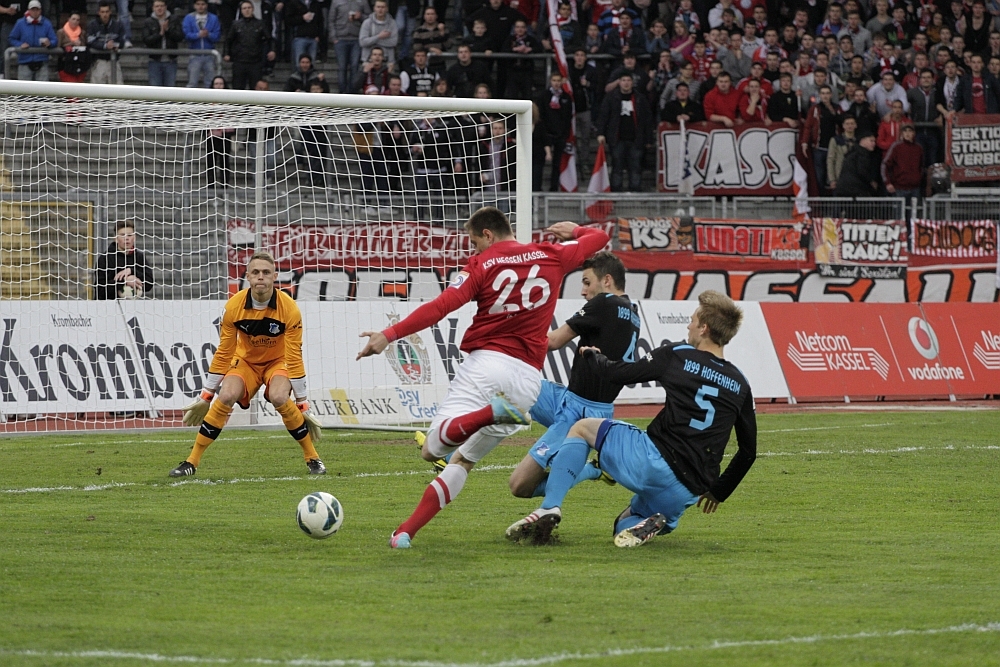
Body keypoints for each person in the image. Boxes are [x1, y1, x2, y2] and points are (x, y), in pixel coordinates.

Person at [356, 208, 610, 549]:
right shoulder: (551, 254)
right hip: (527, 382)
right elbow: (599, 237)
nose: (474, 249)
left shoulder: (483, 264)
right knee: (463, 460)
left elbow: (442, 306)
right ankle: (405, 533)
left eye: (475, 242)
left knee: (432, 450)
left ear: (488, 234)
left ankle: (489, 413)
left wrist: (389, 334)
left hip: (488, 366)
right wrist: (576, 230)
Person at [528, 290, 756, 548]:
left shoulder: (678, 354)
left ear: (704, 328)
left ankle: (549, 507)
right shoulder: (741, 383)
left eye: (692, 320)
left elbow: (620, 373)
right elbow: (748, 452)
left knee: (581, 429)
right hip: (688, 489)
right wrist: (720, 491)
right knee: (623, 525)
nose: (688, 326)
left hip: (653, 461)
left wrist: (593, 356)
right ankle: (647, 523)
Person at [504, 252, 641, 543]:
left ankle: (589, 472)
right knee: (513, 384)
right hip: (576, 400)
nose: (583, 290)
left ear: (606, 280)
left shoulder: (603, 303)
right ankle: (454, 454)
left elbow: (553, 341)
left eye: (587, 282)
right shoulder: (633, 313)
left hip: (580, 413)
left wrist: (511, 334)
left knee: (519, 485)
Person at [171, 251, 324, 478]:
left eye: (266, 272)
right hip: (245, 362)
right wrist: (206, 396)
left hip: (277, 362)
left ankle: (313, 458)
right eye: (256, 272)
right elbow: (224, 352)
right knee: (226, 395)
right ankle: (191, 462)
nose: (261, 277)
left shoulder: (289, 309)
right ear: (248, 276)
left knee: (279, 396)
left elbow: (294, 356)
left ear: (275, 277)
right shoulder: (234, 307)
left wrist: (302, 404)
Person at [596, 74, 654, 191]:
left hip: (636, 139)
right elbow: (603, 116)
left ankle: (635, 190)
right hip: (617, 138)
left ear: (632, 83)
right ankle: (616, 190)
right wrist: (600, 133)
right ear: (619, 82)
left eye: (628, 80)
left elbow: (647, 119)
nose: (626, 83)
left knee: (636, 166)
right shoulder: (611, 97)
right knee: (617, 166)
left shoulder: (640, 98)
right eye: (623, 80)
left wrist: (648, 138)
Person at [94, 221, 154, 300]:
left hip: (132, 305)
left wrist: (132, 271)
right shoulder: (105, 258)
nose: (126, 238)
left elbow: (149, 284)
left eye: (129, 235)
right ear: (116, 239)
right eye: (122, 235)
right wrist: (125, 281)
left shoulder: (139, 257)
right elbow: (100, 289)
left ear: (134, 237)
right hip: (107, 305)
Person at [225, 0, 274, 90]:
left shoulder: (260, 24)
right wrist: (226, 53)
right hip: (239, 61)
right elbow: (229, 40)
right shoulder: (236, 24)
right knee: (237, 88)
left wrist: (272, 50)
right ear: (241, 10)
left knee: (255, 89)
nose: (247, 10)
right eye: (244, 8)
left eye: (249, 8)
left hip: (255, 62)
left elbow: (269, 39)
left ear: (253, 9)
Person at [802, 84, 840, 194]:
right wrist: (804, 142)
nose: (825, 96)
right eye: (823, 93)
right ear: (819, 95)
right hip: (819, 148)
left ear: (831, 95)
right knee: (819, 176)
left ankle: (834, 199)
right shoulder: (814, 109)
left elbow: (842, 123)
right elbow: (808, 126)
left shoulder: (837, 108)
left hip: (834, 148)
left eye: (827, 93)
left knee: (834, 176)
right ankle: (822, 199)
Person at [329, 0, 369, 94]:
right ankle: (342, 92)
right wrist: (334, 38)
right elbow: (331, 20)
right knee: (342, 67)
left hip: (356, 39)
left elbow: (369, 18)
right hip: (340, 39)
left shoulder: (363, 2)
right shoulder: (336, 2)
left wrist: (360, 16)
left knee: (355, 66)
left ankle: (353, 92)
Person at [142, 0, 184, 87]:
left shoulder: (174, 19)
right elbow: (146, 40)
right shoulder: (148, 22)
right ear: (153, 8)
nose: (159, 8)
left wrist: (168, 30)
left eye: (161, 6)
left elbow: (180, 37)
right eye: (157, 6)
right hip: (154, 61)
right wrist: (160, 34)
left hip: (171, 61)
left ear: (165, 7)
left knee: (170, 89)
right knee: (155, 89)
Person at [501, 18, 543, 99]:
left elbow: (539, 49)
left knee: (527, 95)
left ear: (526, 29)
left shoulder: (530, 39)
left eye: (522, 27)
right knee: (512, 96)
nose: (520, 29)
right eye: (518, 27)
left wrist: (530, 49)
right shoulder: (510, 39)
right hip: (512, 71)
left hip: (526, 71)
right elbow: (503, 50)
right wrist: (515, 49)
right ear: (514, 29)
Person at [881, 122, 924, 199]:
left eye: (910, 131)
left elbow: (921, 166)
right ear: (902, 133)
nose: (907, 133)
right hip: (899, 188)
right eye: (905, 131)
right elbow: (885, 165)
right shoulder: (896, 147)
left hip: (915, 188)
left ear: (914, 133)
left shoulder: (919, 148)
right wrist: (887, 183)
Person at [183, 0, 221, 88]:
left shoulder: (213, 18)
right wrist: (197, 35)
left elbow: (217, 36)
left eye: (203, 4)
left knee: (210, 82)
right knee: (192, 82)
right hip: (195, 54)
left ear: (206, 5)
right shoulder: (189, 18)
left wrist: (208, 35)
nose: (200, 6)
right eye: (198, 4)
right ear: (194, 6)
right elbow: (186, 35)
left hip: (209, 54)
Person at [834, 130, 882, 197]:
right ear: (862, 141)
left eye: (874, 141)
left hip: (843, 188)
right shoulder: (862, 155)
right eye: (871, 141)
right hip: (855, 190)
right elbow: (862, 171)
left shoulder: (852, 152)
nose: (874, 143)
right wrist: (871, 182)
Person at [85, 0, 123, 84]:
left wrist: (116, 45)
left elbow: (122, 41)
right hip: (99, 61)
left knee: (117, 89)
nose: (105, 14)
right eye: (102, 12)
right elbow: (90, 42)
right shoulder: (92, 25)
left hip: (114, 61)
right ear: (98, 12)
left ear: (110, 12)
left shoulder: (118, 25)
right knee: (97, 90)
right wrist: (105, 45)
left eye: (106, 11)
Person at [359, 0, 397, 67]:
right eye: (378, 7)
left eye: (382, 7)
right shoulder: (367, 23)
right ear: (374, 8)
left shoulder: (392, 23)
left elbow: (393, 42)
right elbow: (362, 42)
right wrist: (379, 36)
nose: (380, 9)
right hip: (368, 59)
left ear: (387, 9)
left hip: (387, 59)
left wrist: (372, 40)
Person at [286, 0, 323, 66]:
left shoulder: (315, 3)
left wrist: (318, 35)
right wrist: (302, 18)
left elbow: (320, 21)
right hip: (299, 37)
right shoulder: (294, 3)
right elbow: (288, 20)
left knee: (311, 65)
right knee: (299, 64)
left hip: (313, 38)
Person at [827, 114, 858, 192]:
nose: (850, 126)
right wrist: (832, 179)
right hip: (840, 177)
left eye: (852, 123)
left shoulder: (859, 140)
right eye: (847, 124)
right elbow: (830, 160)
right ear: (843, 126)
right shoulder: (835, 140)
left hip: (856, 179)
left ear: (855, 125)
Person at [56, 11, 89, 83]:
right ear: (69, 19)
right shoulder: (61, 32)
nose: (75, 21)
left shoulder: (82, 33)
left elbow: (85, 45)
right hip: (65, 65)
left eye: (77, 20)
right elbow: (58, 47)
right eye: (73, 19)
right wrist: (72, 43)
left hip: (80, 65)